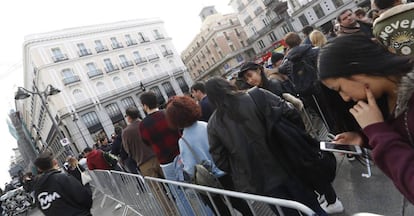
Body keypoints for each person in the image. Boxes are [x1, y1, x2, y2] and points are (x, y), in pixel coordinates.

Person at [205, 77, 327, 215]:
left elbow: (220, 161)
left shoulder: (213, 125)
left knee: (286, 212)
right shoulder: (257, 95)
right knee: (311, 207)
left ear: (211, 98)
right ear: (227, 85)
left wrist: (242, 166)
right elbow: (290, 112)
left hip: (259, 180)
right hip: (287, 161)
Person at [318, 34, 414, 204]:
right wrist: (364, 138)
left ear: (356, 67)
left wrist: (377, 131)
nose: (345, 98)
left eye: (340, 88)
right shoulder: (389, 98)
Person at [165, 95, 253, 216]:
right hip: (224, 172)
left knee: (220, 209)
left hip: (208, 181)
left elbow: (190, 168)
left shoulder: (183, 141)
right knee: (238, 202)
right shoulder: (206, 125)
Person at [32, 151, 92, 216]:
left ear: (39, 169)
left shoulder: (37, 190)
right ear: (54, 162)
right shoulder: (62, 178)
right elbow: (85, 198)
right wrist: (86, 185)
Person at [122, 107, 162, 178]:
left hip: (143, 162)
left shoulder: (126, 132)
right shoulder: (146, 123)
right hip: (158, 156)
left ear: (129, 117)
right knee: (170, 182)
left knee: (156, 187)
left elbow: (127, 149)